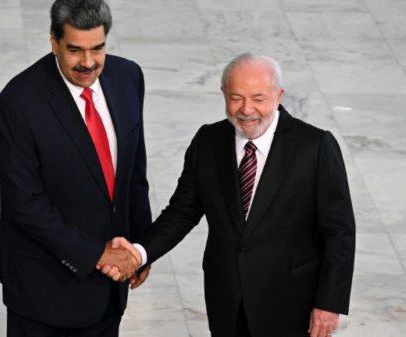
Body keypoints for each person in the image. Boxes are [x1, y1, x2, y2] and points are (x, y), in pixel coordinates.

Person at [99, 53, 356, 337]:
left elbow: (339, 231)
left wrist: (329, 304)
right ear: (223, 93)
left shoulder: (315, 146)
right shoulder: (208, 142)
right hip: (228, 302)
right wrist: (140, 253)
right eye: (236, 98)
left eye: (258, 99)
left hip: (293, 305)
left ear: (278, 95)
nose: (246, 110)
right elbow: (181, 213)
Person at [0, 0, 152, 336]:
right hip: (45, 291)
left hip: (110, 289)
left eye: (98, 48)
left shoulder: (127, 77)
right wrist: (99, 254)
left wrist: (141, 248)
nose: (88, 62)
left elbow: (134, 172)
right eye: (75, 50)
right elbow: (25, 204)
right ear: (54, 42)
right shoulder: (18, 104)